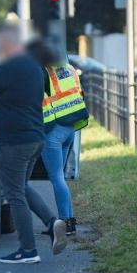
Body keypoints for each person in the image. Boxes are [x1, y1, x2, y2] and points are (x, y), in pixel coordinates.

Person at [0, 26, 67, 264]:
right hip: (34, 138)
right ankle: (51, 221)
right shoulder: (34, 66)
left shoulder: (7, 67)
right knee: (21, 187)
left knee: (14, 194)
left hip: (12, 141)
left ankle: (28, 250)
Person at [35, 38, 89, 236]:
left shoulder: (42, 73)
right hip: (69, 128)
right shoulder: (69, 68)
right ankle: (69, 221)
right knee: (61, 176)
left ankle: (65, 223)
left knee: (56, 177)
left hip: (53, 131)